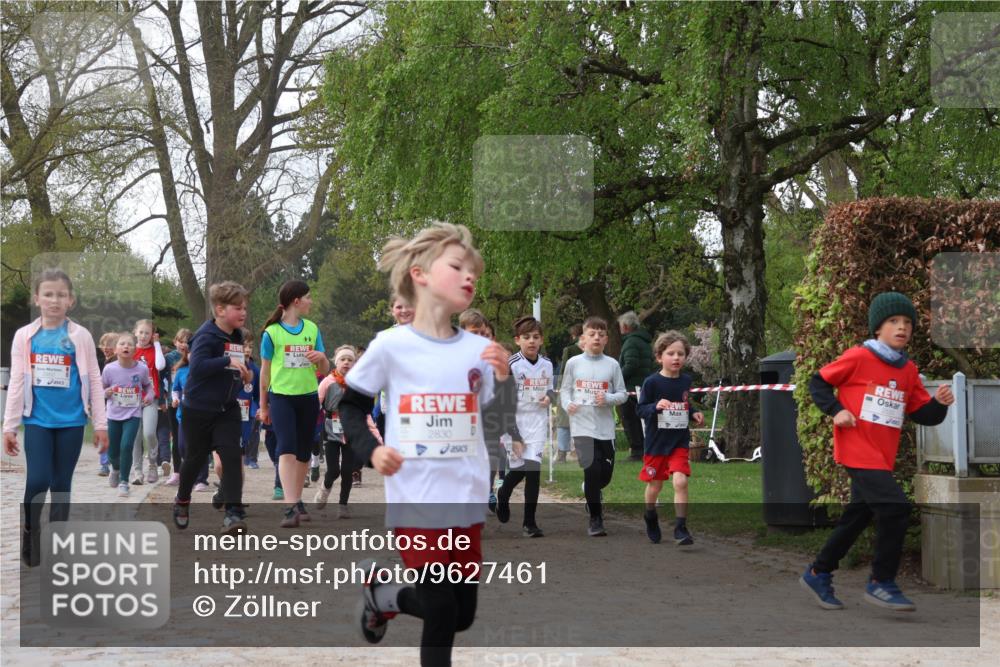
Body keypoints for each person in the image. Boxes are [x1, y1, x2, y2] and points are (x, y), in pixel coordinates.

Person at [338, 222, 518, 666]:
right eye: (456, 266)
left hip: (466, 496)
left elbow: (494, 419)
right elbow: (349, 405)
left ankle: (383, 597)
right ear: (419, 274)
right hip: (417, 496)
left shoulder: (480, 350)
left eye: (473, 270)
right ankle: (388, 598)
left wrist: (503, 377)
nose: (469, 276)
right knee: (439, 608)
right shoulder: (390, 346)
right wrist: (372, 450)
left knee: (461, 616)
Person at [800, 292, 954, 612]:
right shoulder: (858, 357)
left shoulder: (908, 370)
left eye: (908, 323)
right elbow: (819, 382)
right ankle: (881, 582)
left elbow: (922, 414)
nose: (902, 328)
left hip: (882, 457)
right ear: (878, 328)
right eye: (893, 321)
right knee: (896, 507)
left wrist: (939, 404)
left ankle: (819, 572)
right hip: (857, 448)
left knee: (858, 516)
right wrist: (836, 410)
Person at [4, 268, 109, 567]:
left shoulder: (81, 336)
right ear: (37, 298)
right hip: (37, 421)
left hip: (72, 422)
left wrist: (100, 425)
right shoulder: (25, 337)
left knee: (62, 483)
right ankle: (31, 530)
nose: (54, 300)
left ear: (71, 301)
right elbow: (17, 382)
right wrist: (9, 425)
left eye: (61, 295)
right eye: (48, 294)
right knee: (37, 480)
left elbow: (94, 379)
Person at [172, 281, 252, 535]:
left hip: (226, 409)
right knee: (194, 460)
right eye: (237, 308)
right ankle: (183, 500)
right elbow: (198, 368)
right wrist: (227, 359)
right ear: (219, 310)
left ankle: (233, 514)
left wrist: (244, 376)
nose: (243, 313)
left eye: (245, 308)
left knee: (231, 457)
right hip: (198, 410)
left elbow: (233, 368)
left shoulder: (237, 335)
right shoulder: (205, 336)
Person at [257, 280, 330, 528]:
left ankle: (297, 500)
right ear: (296, 301)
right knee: (286, 447)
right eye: (308, 297)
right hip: (281, 397)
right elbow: (264, 375)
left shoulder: (312, 328)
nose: (311, 301)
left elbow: (324, 368)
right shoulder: (272, 333)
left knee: (303, 452)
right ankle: (289, 507)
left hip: (308, 397)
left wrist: (321, 358)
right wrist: (264, 406)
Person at [560, 316, 627, 537]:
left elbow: (623, 394)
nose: (596, 337)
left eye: (601, 334)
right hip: (581, 427)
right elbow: (565, 390)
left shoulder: (613, 365)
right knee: (592, 470)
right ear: (583, 338)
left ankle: (591, 492)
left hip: (605, 429)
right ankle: (595, 520)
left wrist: (608, 398)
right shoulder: (573, 363)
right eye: (592, 334)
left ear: (606, 339)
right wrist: (568, 403)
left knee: (603, 476)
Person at [636, 331, 704, 545]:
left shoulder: (685, 380)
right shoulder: (652, 382)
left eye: (681, 354)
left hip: (679, 442)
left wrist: (693, 412)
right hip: (657, 443)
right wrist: (655, 407)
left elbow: (684, 402)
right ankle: (650, 515)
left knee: (680, 481)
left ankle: (681, 528)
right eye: (671, 353)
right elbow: (640, 409)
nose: (676, 358)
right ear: (659, 357)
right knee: (655, 486)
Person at [495, 316, 554, 538]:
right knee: (519, 470)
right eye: (526, 337)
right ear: (517, 340)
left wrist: (549, 397)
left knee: (533, 471)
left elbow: (550, 388)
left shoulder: (547, 364)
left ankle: (529, 522)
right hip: (515, 424)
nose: (531, 341)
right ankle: (504, 492)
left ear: (541, 340)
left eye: (536, 337)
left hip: (538, 423)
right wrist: (515, 435)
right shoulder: (511, 365)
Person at [366, 293, 415, 488]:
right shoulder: (385, 337)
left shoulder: (430, 334)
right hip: (393, 403)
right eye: (399, 307)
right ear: (392, 311)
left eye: (408, 306)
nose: (404, 311)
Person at [101, 332, 154, 497]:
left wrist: (150, 396)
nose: (126, 346)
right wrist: (107, 392)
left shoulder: (142, 369)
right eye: (122, 344)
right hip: (113, 414)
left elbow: (148, 386)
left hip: (133, 414)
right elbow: (101, 390)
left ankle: (124, 481)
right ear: (116, 349)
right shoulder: (109, 369)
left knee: (127, 446)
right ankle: (115, 468)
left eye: (130, 344)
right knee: (113, 451)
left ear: (135, 349)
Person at [314, 345, 358, 517]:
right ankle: (324, 490)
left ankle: (343, 505)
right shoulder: (327, 382)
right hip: (330, 428)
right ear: (336, 361)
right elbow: (316, 404)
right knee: (334, 470)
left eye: (350, 360)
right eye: (343, 359)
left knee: (348, 470)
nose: (346, 363)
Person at [170, 339, 210, 492]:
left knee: (200, 447)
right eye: (193, 353)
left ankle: (201, 479)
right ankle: (191, 474)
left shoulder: (208, 371)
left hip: (203, 415)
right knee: (182, 447)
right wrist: (175, 399)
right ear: (187, 355)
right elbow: (176, 390)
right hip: (184, 415)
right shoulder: (181, 371)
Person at [130, 319, 165, 485]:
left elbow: (159, 366)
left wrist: (157, 344)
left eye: (147, 333)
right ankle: (137, 471)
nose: (143, 336)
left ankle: (152, 464)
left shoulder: (154, 350)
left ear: (152, 335)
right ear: (135, 332)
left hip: (151, 398)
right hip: (132, 399)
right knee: (135, 436)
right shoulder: (129, 350)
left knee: (149, 433)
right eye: (141, 332)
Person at [618, 311, 656, 461]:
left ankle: (637, 451)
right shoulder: (645, 342)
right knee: (641, 420)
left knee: (630, 420)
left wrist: (617, 378)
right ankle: (644, 449)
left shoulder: (631, 342)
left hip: (631, 388)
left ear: (626, 326)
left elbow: (631, 365)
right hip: (643, 386)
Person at [163, 329, 191, 485]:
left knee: (190, 439)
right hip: (173, 403)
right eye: (181, 341)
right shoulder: (169, 358)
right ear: (175, 342)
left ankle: (193, 471)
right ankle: (176, 472)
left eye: (187, 341)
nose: (184, 344)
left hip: (191, 404)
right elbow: (160, 376)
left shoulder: (194, 358)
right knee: (175, 436)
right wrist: (163, 396)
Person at [554, 324, 583, 462]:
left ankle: (567, 453)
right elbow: (564, 371)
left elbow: (563, 371)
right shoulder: (572, 350)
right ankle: (564, 452)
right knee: (566, 422)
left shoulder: (571, 350)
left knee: (569, 423)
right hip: (574, 389)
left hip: (577, 390)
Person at [96, 331, 119, 476]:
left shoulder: (118, 363)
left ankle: (112, 462)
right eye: (103, 345)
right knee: (103, 431)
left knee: (113, 433)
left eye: (110, 345)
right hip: (101, 403)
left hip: (115, 403)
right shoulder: (99, 363)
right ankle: (104, 464)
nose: (106, 348)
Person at [239, 333, 262, 469]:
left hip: (249, 409)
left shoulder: (255, 369)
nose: (247, 350)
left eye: (250, 347)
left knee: (251, 433)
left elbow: (258, 393)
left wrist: (259, 407)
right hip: (231, 408)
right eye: (244, 346)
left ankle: (251, 457)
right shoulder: (229, 366)